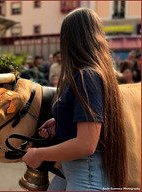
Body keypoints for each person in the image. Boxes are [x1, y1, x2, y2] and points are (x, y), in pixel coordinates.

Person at [21, 8, 127, 191]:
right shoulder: (87, 73)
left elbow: (86, 144)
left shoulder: (87, 76)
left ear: (71, 39)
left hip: (87, 175)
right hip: (79, 171)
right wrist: (61, 121)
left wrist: (39, 154)